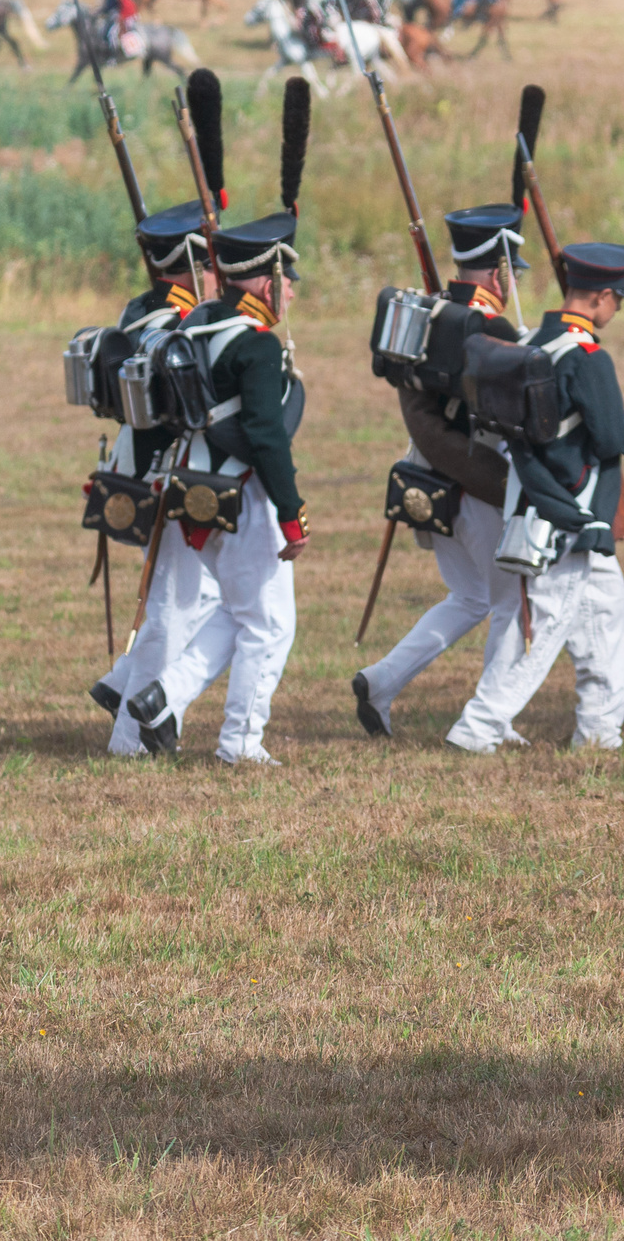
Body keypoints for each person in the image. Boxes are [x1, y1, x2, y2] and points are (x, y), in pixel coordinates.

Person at [134, 92, 314, 766]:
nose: (292, 287)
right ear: (265, 280)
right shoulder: (256, 345)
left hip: (194, 487)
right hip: (244, 497)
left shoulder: (193, 323)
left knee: (242, 616)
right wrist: (292, 516)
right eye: (286, 275)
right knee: (270, 626)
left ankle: (161, 698)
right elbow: (267, 434)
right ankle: (241, 742)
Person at [444, 243, 624, 755]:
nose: (618, 308)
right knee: (545, 627)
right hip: (571, 509)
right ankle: (478, 727)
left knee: (605, 606)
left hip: (536, 500)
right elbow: (611, 440)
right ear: (600, 298)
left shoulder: (533, 342)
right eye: (617, 300)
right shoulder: (587, 356)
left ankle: (599, 730)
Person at [350, 204, 529, 739]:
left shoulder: (425, 316)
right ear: (500, 273)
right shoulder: (490, 327)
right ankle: (490, 719)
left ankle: (381, 683)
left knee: (472, 596)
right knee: (511, 605)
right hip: (476, 485)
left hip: (426, 481)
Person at [89, 199, 218, 756]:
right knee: (174, 607)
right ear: (192, 261)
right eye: (211, 261)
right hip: (169, 477)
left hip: (139, 472)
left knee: (208, 598)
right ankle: (132, 738)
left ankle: (123, 683)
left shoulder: (143, 309)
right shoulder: (181, 323)